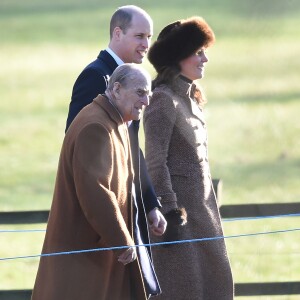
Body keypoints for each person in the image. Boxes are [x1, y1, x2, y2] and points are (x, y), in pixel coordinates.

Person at [32, 64, 163, 300]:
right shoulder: (96, 126)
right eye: (140, 93)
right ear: (116, 89)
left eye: (149, 94)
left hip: (100, 255)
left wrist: (150, 209)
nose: (146, 101)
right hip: (85, 257)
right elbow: (96, 191)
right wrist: (121, 241)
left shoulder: (116, 121)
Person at [143, 17, 234, 299]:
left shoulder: (190, 98)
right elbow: (155, 163)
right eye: (198, 52)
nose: (205, 58)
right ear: (177, 57)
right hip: (181, 224)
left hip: (204, 218)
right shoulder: (163, 99)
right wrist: (171, 213)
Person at [65, 5, 165, 261]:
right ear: (117, 33)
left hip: (125, 208)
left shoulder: (135, 79)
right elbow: (78, 147)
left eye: (149, 37)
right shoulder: (96, 77)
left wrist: (150, 203)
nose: (146, 44)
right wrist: (109, 225)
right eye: (139, 36)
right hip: (100, 221)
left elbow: (131, 149)